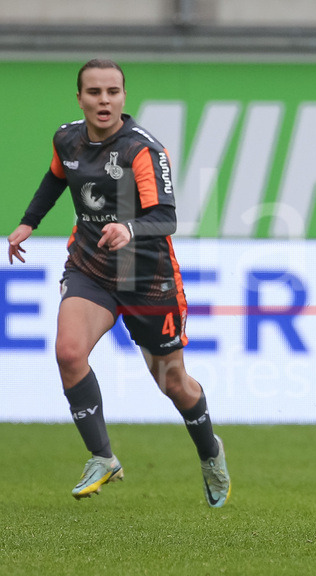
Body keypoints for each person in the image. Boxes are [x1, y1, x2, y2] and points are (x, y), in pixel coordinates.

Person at [6, 59, 231, 507]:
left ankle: (210, 451)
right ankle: (102, 456)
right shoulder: (66, 138)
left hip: (146, 278)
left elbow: (166, 217)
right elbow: (56, 178)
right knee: (69, 352)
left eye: (112, 91)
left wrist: (128, 228)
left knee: (173, 382)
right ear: (80, 98)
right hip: (90, 267)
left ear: (124, 97)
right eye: (94, 92)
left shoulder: (142, 150)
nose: (103, 100)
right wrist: (28, 223)